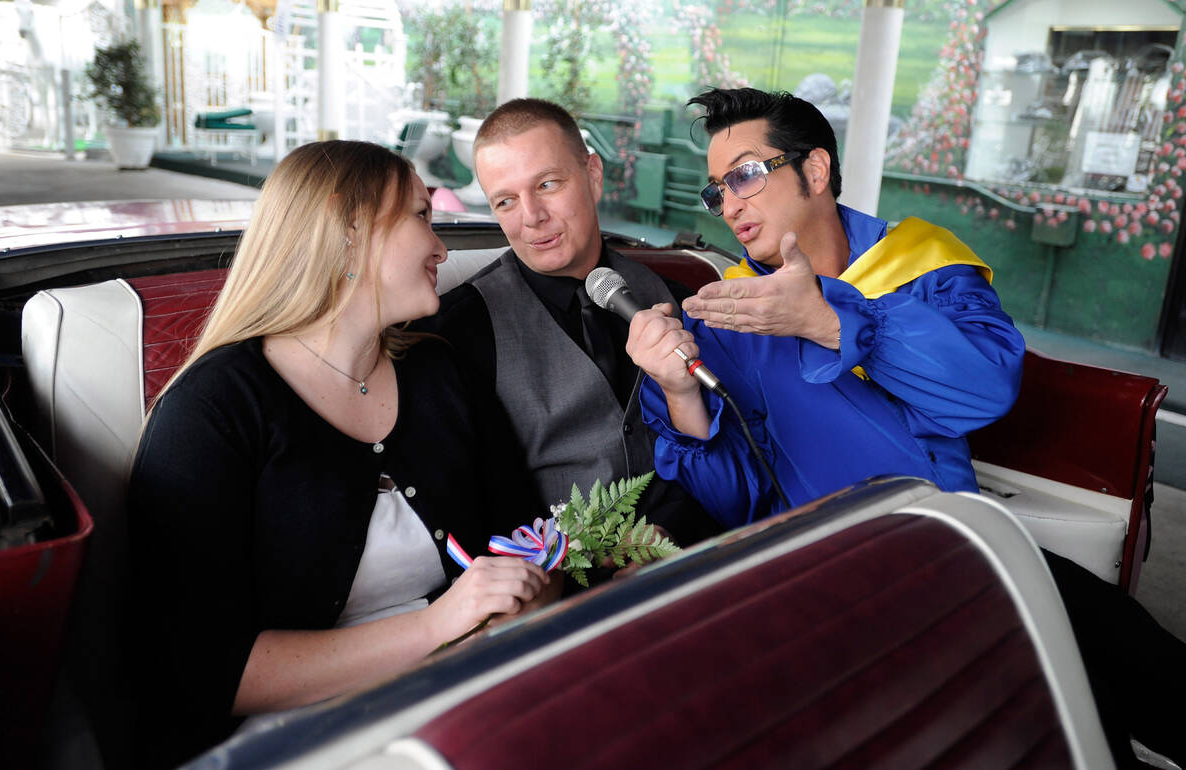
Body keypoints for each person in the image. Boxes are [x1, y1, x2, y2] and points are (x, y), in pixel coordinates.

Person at [629, 87, 1184, 768]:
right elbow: (737, 501)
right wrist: (682, 395)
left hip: (957, 545)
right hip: (821, 576)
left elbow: (982, 392)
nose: (730, 205)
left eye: (745, 174)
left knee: (1132, 660)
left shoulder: (923, 265)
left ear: (816, 170)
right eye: (717, 191)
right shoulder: (733, 314)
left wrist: (826, 321)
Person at [126, 141, 556, 768]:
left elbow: (522, 536)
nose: (441, 248)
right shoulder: (214, 409)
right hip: (291, 737)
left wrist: (530, 595)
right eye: (420, 216)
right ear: (349, 232)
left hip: (456, 694)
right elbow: (202, 671)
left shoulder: (440, 371)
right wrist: (439, 626)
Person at [419, 98, 721, 548]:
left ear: (593, 176)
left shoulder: (680, 301)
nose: (531, 217)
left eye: (547, 184)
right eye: (505, 201)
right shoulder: (459, 332)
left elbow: (723, 453)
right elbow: (477, 501)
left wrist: (670, 528)